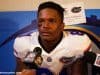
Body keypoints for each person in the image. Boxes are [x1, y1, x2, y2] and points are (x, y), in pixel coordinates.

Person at [13, 1, 93, 75]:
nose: (45, 26)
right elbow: (21, 72)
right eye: (41, 21)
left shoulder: (78, 42)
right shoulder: (23, 42)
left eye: (51, 21)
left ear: (62, 26)